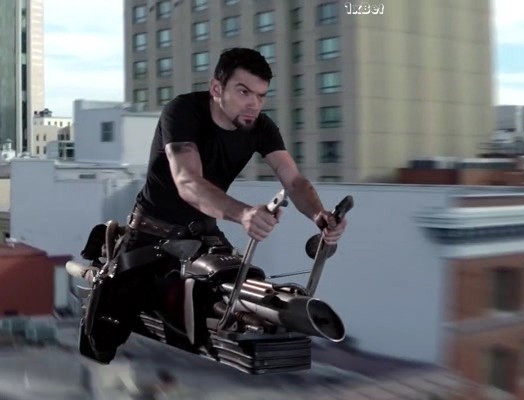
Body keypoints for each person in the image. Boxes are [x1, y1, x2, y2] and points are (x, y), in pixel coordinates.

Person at [83, 47, 348, 363]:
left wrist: (320, 215)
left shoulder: (261, 127)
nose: (253, 104)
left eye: (261, 96)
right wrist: (244, 214)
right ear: (216, 88)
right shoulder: (182, 112)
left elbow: (294, 182)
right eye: (243, 91)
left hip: (204, 233)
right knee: (104, 335)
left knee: (239, 290)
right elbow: (187, 182)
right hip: (152, 232)